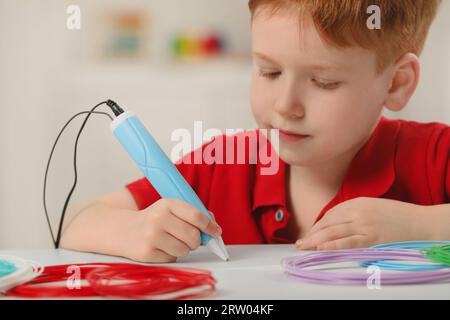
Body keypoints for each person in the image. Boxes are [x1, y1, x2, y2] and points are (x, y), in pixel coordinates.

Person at [60, 0, 449, 263]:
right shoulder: (222, 164)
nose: (285, 105)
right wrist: (134, 230)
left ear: (396, 83)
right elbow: (75, 224)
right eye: (269, 72)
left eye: (324, 81)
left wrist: (419, 227)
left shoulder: (434, 156)